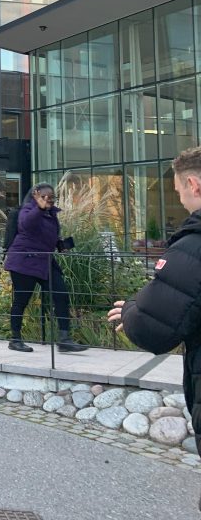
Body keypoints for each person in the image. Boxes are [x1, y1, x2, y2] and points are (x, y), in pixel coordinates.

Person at [109, 145, 201, 500]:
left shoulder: (193, 246)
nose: (180, 201)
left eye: (178, 192)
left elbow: (154, 328)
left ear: (193, 184)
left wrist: (131, 310)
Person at [3, 182, 87, 353]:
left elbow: (47, 234)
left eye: (52, 198)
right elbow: (27, 224)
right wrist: (39, 209)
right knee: (21, 301)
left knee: (61, 294)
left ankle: (64, 339)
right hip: (24, 262)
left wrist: (60, 244)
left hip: (45, 261)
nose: (49, 200)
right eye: (44, 197)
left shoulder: (51, 214)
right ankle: (15, 339)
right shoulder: (27, 211)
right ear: (35, 195)